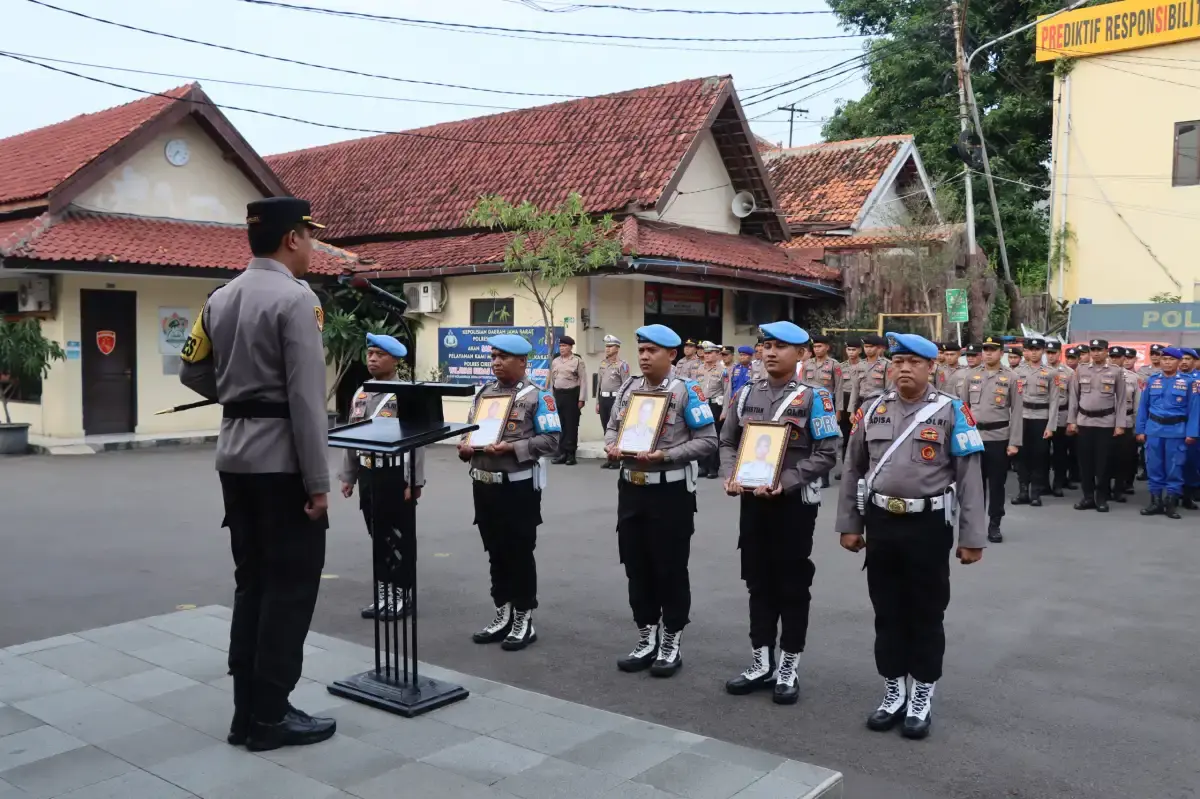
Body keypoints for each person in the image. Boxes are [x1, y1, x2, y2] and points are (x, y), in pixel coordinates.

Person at [178, 196, 335, 751]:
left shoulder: (220, 297)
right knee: (289, 589)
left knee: (253, 585)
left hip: (234, 458)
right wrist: (318, 483)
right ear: (292, 237)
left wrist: (240, 393)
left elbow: (190, 369)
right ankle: (271, 717)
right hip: (282, 464)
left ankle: (247, 712)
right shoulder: (296, 300)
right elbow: (306, 401)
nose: (314, 246)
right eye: (310, 236)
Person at [836, 331, 985, 740]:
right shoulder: (871, 410)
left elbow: (970, 479)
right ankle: (893, 690)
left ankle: (922, 693)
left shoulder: (953, 412)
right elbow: (853, 470)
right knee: (887, 610)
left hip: (927, 526)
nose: (903, 368)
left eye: (913, 362)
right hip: (882, 524)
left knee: (926, 611)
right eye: (897, 361)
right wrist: (850, 523)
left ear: (931, 367)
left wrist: (972, 536)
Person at [720, 321, 839, 705]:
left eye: (780, 346)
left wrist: (785, 481)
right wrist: (731, 475)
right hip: (752, 501)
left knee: (791, 584)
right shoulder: (745, 394)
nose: (770, 352)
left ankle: (788, 665)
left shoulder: (815, 398)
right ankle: (760, 661)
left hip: (791, 505)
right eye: (765, 345)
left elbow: (827, 453)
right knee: (757, 580)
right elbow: (727, 442)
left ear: (802, 354)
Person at [605, 324, 717, 678]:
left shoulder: (688, 392)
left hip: (669, 492)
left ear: (672, 355)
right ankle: (646, 635)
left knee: (669, 568)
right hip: (632, 490)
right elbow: (612, 427)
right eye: (641, 350)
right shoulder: (628, 388)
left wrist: (666, 455)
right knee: (636, 566)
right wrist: (611, 445)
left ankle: (671, 640)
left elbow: (708, 440)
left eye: (652, 350)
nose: (644, 356)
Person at [459, 334, 561, 651]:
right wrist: (464, 447)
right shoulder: (485, 395)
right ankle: (501, 612)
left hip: (517, 489)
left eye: (503, 357)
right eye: (493, 356)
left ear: (522, 361)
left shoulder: (538, 397)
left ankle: (522, 617)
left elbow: (552, 442)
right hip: (483, 486)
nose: (496, 362)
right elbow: (469, 431)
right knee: (496, 553)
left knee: (518, 553)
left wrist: (511, 447)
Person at [340, 333, 425, 622]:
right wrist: (348, 475)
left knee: (399, 537)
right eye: (370, 353)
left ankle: (403, 595)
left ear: (395, 360)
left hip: (395, 474)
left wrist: (413, 481)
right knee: (377, 536)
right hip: (368, 472)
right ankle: (384, 594)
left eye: (379, 354)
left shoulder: (406, 394)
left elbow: (417, 441)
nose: (372, 359)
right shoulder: (361, 393)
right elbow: (352, 436)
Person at [958, 336, 1022, 543]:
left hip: (999, 437)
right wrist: (962, 438)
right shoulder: (971, 376)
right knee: (974, 486)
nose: (988, 353)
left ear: (1001, 353)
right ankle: (974, 525)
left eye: (992, 350)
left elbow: (1017, 411)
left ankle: (995, 524)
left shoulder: (1011, 378)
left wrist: (1014, 442)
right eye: (985, 350)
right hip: (975, 437)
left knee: (996, 485)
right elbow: (963, 409)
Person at [1067, 339, 1127, 512]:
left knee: (1103, 462)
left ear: (1106, 351)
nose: (1096, 353)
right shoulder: (1081, 369)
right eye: (1093, 349)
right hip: (1084, 421)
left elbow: (1122, 400)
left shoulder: (1116, 371)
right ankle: (1087, 497)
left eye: (1099, 349)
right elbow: (1074, 398)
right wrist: (1072, 421)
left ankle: (1101, 498)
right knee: (1085, 463)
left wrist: (1120, 424)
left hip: (1106, 422)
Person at [1136, 347, 1191, 519]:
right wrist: (1140, 429)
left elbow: (1194, 410)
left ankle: (1171, 503)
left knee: (1175, 468)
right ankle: (1155, 501)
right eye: (1164, 359)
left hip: (1177, 431)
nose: (1167, 362)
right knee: (1154, 466)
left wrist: (1192, 433)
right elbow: (1143, 407)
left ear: (1178, 362)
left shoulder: (1189, 382)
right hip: (1154, 430)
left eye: (1171, 359)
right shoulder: (1152, 381)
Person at [1012, 337, 1055, 507]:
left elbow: (1055, 401)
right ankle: (1023, 491)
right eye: (1031, 349)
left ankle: (1036, 492)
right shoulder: (1016, 372)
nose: (1034, 352)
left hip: (1041, 417)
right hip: (1022, 417)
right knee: (1022, 456)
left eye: (1037, 349)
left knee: (1039, 456)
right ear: (1026, 352)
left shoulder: (1051, 373)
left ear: (1043, 351)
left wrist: (1051, 426)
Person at [550, 335, 587, 466]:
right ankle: (562, 453)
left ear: (571, 347)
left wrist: (582, 399)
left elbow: (583, 381)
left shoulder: (577, 361)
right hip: (558, 395)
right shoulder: (555, 361)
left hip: (572, 395)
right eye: (560, 346)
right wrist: (551, 398)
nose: (562, 348)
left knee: (571, 425)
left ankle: (571, 454)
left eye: (564, 346)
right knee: (560, 426)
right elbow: (552, 381)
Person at [1110, 347, 1141, 501]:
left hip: (1127, 421)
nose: (1115, 359)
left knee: (1123, 457)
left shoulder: (1133, 378)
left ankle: (1119, 488)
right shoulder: (1100, 374)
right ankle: (1104, 487)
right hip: (1106, 421)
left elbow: (1137, 405)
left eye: (1118, 357)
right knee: (1106, 457)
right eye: (1112, 356)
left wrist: (1137, 427)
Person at [596, 335, 630, 470]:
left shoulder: (623, 365)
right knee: (606, 429)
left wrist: (623, 404)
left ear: (617, 348)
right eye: (606, 346)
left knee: (617, 429)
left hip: (616, 400)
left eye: (610, 346)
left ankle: (617, 459)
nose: (607, 349)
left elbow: (626, 385)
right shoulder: (603, 363)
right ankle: (610, 457)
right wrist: (597, 402)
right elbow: (599, 384)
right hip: (604, 399)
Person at [696, 341, 728, 479]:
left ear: (717, 354)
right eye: (706, 353)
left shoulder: (723, 370)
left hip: (715, 405)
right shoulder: (699, 369)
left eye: (710, 353)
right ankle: (702, 465)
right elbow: (695, 388)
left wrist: (725, 410)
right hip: (701, 405)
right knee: (700, 435)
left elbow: (727, 391)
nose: (707, 355)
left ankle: (713, 467)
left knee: (714, 436)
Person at [1045, 341, 1073, 496]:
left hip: (1061, 415)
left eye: (1053, 353)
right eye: (1048, 353)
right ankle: (1043, 484)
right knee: (1042, 452)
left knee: (1060, 452)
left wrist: (1071, 420)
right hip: (1043, 415)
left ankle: (1058, 483)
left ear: (1059, 354)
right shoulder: (1041, 371)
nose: (1050, 356)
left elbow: (1072, 398)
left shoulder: (1068, 373)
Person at [1135, 344, 1164, 482]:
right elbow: (1142, 383)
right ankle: (1146, 470)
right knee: (1146, 444)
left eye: (1157, 353)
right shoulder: (1143, 369)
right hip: (1146, 409)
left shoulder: (1168, 370)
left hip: (1161, 410)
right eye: (1152, 353)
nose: (1154, 356)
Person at [848, 334, 890, 414]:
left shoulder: (886, 365)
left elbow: (889, 389)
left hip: (878, 404)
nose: (868, 349)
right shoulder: (859, 365)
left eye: (871, 347)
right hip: (861, 403)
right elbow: (855, 389)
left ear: (878, 348)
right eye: (866, 347)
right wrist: (852, 411)